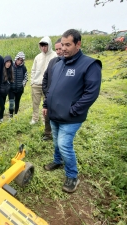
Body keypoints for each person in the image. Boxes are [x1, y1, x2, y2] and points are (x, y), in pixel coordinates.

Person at [43, 29, 102, 193]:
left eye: (68, 44)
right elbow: (51, 88)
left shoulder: (89, 64)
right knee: (56, 140)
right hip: (54, 114)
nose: (64, 48)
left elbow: (92, 93)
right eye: (62, 44)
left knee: (64, 144)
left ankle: (72, 176)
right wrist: (46, 104)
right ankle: (57, 161)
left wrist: (74, 109)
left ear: (78, 44)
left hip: (71, 117)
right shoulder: (59, 63)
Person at [30, 36, 56, 125]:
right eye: (42, 46)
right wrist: (32, 81)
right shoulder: (38, 57)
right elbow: (33, 70)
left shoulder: (54, 56)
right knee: (35, 103)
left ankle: (45, 120)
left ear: (49, 45)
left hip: (48, 85)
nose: (43, 48)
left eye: (45, 46)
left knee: (47, 104)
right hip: (36, 84)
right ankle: (35, 118)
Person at [41, 38, 63, 141]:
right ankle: (47, 134)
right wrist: (46, 91)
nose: (58, 52)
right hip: (50, 95)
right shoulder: (52, 61)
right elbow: (45, 77)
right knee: (47, 115)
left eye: (60, 49)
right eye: (56, 49)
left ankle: (59, 136)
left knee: (60, 117)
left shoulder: (70, 64)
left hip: (62, 98)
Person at [8, 52, 28, 118]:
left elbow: (26, 77)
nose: (19, 61)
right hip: (11, 89)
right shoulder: (11, 66)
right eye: (18, 59)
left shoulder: (23, 68)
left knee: (17, 102)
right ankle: (11, 115)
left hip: (19, 89)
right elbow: (6, 76)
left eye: (21, 60)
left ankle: (16, 114)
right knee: (11, 102)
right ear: (16, 58)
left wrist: (22, 85)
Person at [0, 55, 13, 123]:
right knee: (2, 108)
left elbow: (10, 81)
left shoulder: (9, 71)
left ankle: (1, 118)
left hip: (5, 92)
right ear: (4, 62)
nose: (8, 63)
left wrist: (8, 87)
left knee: (2, 106)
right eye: (7, 62)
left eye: (10, 62)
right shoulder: (0, 70)